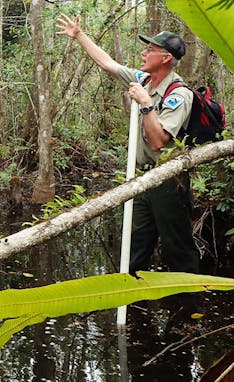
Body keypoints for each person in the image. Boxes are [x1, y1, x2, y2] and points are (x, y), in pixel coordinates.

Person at [57, 16, 199, 274]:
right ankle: (133, 304)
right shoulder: (142, 79)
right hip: (140, 179)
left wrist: (146, 104)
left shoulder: (179, 94)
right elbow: (107, 63)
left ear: (166, 58)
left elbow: (158, 142)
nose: (144, 53)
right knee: (134, 249)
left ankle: (189, 306)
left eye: (150, 50)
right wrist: (79, 35)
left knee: (178, 250)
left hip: (168, 181)